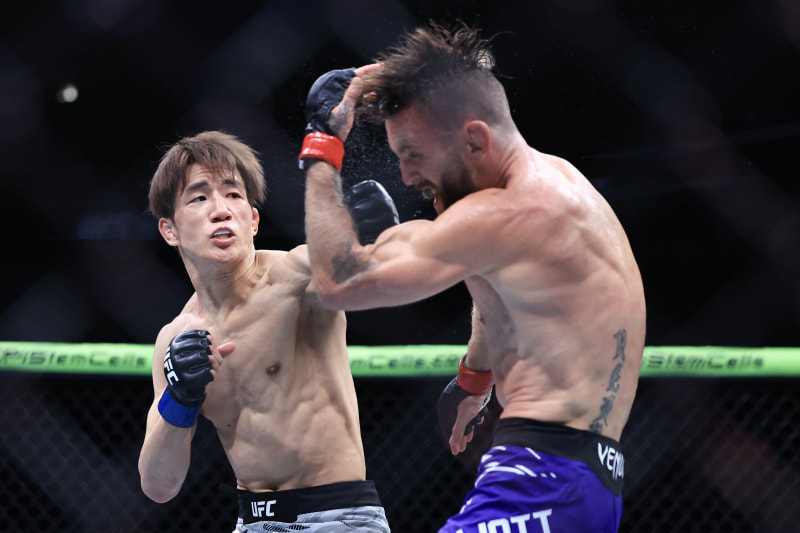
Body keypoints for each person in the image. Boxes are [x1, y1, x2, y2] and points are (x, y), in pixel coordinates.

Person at [298, 22, 646, 533]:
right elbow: (500, 289)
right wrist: (475, 381)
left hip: (541, 479)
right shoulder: (559, 181)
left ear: (475, 140)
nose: (407, 175)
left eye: (413, 154)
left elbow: (338, 283)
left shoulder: (508, 213)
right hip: (586, 479)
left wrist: (322, 145)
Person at [137, 131, 394, 532]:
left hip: (337, 516)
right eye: (199, 198)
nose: (220, 210)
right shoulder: (176, 338)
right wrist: (180, 398)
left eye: (233, 195)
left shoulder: (296, 278)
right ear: (170, 230)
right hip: (252, 522)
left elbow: (363, 264)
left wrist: (369, 238)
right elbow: (158, 486)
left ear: (254, 221)